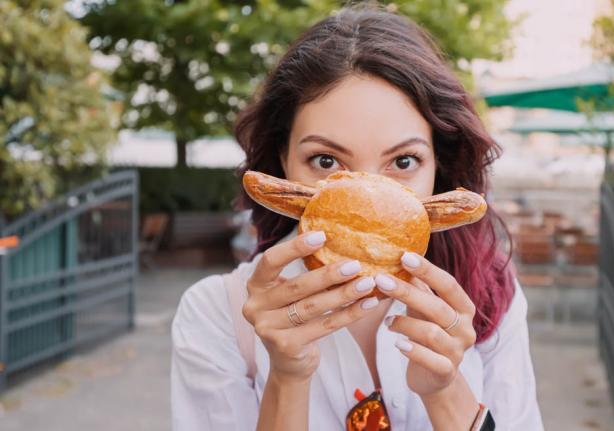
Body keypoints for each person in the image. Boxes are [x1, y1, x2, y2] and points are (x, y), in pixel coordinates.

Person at [171, 5, 543, 431]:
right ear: (283, 162)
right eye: (325, 160)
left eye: (403, 161)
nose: (368, 203)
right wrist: (287, 379)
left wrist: (445, 391)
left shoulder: (489, 295)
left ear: (438, 166)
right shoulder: (216, 315)